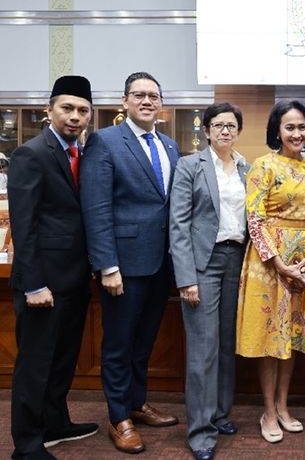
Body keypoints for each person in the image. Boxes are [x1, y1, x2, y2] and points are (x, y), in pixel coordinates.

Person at [80, 71, 180, 454]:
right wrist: (106, 265)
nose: (146, 101)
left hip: (160, 265)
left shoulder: (170, 146)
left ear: (161, 104)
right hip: (122, 265)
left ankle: (136, 403)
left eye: (153, 95)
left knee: (144, 341)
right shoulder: (105, 142)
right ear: (124, 102)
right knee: (119, 344)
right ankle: (118, 416)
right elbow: (97, 208)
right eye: (138, 95)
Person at [8, 76, 98, 460]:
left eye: (82, 111)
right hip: (42, 283)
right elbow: (23, 225)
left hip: (74, 279)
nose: (74, 117)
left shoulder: (81, 153)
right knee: (35, 364)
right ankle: (27, 444)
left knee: (63, 359)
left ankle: (56, 422)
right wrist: (33, 285)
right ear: (49, 111)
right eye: (67, 108)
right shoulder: (32, 154)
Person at [236, 100, 305, 444]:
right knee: (271, 339)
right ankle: (268, 411)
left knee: (292, 337)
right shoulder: (263, 166)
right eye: (289, 127)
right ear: (277, 130)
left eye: (302, 127)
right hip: (270, 264)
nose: (296, 133)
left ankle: (284, 405)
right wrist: (278, 262)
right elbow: (254, 219)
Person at [169, 103, 249, 460]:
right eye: (218, 125)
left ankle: (219, 414)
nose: (225, 131)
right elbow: (179, 225)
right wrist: (186, 278)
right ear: (207, 130)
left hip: (239, 261)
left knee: (226, 343)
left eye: (231, 125)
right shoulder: (190, 166)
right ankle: (200, 432)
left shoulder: (247, 167)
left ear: (238, 130)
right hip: (204, 263)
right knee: (203, 348)